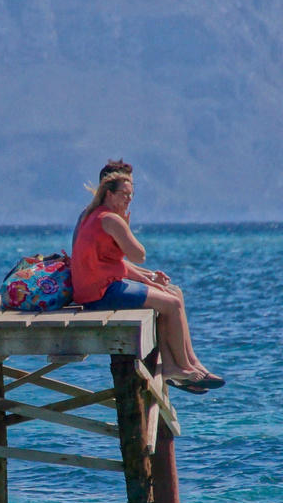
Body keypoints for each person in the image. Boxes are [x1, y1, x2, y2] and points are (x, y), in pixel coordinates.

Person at [70, 160, 224, 391]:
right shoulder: (109, 219)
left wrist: (147, 277)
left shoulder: (95, 214)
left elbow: (112, 262)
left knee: (171, 293)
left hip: (98, 287)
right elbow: (138, 255)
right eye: (125, 193)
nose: (129, 199)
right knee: (171, 303)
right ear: (109, 194)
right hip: (99, 293)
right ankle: (181, 368)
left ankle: (187, 363)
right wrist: (125, 226)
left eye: (132, 193)